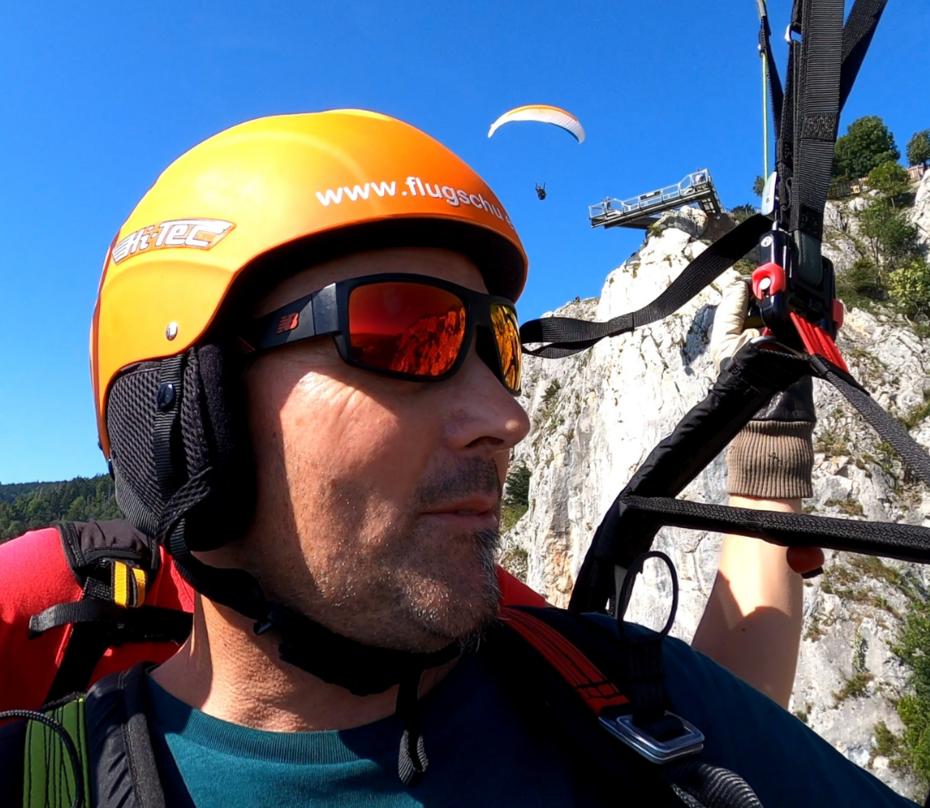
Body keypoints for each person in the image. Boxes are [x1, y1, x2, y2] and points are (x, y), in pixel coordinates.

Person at [0, 110, 915, 806]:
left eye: (500, 347)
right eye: (403, 334)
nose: (507, 417)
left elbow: (736, 719)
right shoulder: (38, 780)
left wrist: (768, 412)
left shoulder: (615, 690)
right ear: (182, 417)